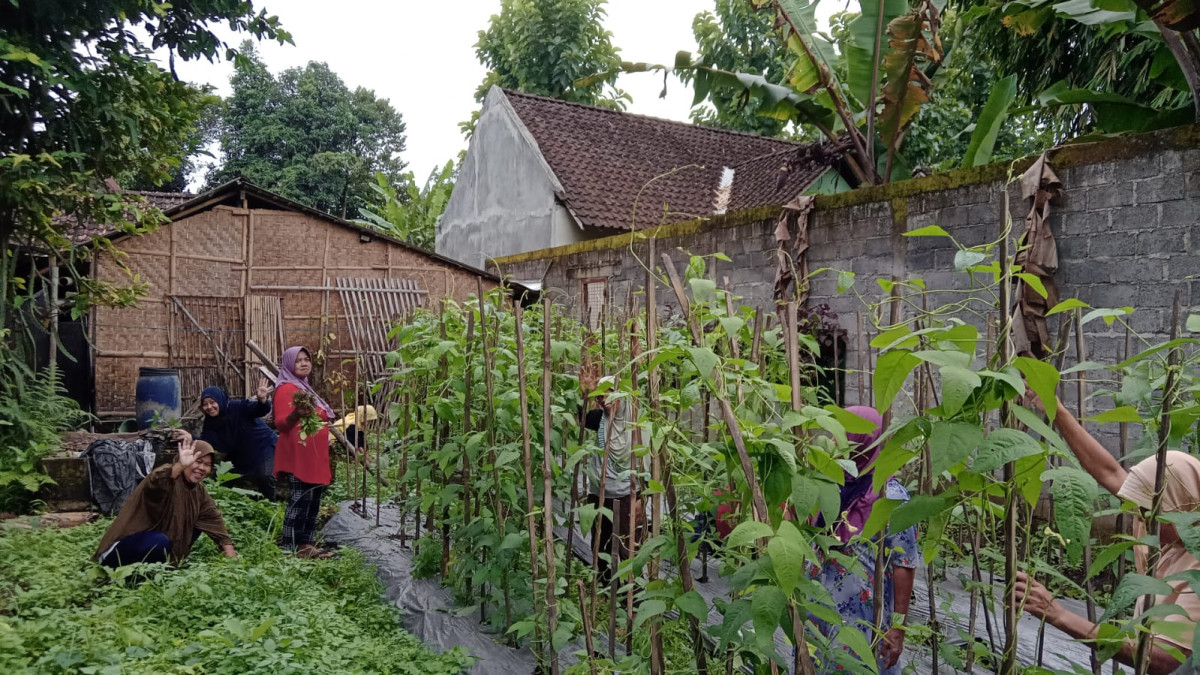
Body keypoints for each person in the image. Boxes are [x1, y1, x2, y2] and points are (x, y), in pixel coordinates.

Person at [1015, 395, 1200, 674]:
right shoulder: (1164, 523)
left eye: (1148, 512)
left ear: (1183, 505)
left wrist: (1058, 614)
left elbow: (1166, 660)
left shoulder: (1195, 567)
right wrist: (1056, 408)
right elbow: (1109, 472)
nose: (1140, 520)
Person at [808, 406, 918, 674]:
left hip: (863, 619)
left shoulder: (890, 497)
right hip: (818, 611)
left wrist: (897, 628)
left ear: (865, 441)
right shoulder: (826, 484)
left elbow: (904, 564)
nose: (835, 442)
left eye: (843, 435)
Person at [94, 438, 236, 568]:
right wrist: (180, 465)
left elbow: (212, 518)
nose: (202, 468)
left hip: (154, 546)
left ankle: (164, 566)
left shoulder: (198, 491)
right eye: (198, 461)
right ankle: (128, 576)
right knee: (159, 541)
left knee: (197, 523)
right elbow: (157, 483)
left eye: (207, 465)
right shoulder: (167, 475)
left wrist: (230, 556)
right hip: (120, 550)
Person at [273, 346, 335, 559]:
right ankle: (289, 548)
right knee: (299, 500)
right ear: (289, 364)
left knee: (313, 501)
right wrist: (295, 414)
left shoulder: (305, 389)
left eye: (306, 359)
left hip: (313, 456)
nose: (304, 363)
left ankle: (306, 544)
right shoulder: (286, 389)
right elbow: (281, 423)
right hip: (298, 456)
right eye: (298, 360)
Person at [584, 375, 640, 586]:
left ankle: (630, 596)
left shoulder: (635, 424)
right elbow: (581, 418)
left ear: (622, 396)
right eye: (600, 397)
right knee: (600, 546)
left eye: (610, 394)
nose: (604, 401)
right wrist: (586, 393)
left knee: (627, 548)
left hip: (627, 495)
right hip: (598, 494)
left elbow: (647, 461)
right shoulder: (600, 419)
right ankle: (604, 590)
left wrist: (641, 498)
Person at [198, 379, 278, 500]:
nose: (209, 407)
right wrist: (188, 438)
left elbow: (259, 410)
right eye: (205, 404)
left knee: (265, 476)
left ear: (220, 400)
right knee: (221, 477)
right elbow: (206, 443)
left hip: (263, 446)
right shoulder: (210, 423)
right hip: (239, 453)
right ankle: (220, 505)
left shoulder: (237, 407)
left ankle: (271, 505)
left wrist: (262, 401)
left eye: (212, 402)